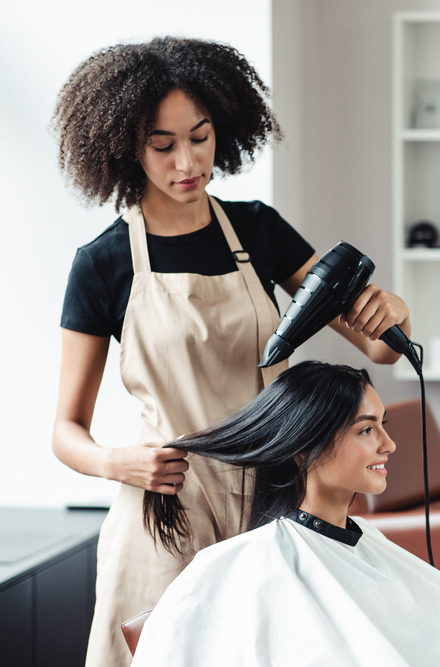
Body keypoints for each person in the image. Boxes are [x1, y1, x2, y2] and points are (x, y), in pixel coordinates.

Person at [51, 37, 410, 667]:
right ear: (128, 148)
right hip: (164, 511)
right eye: (162, 145)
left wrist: (394, 312)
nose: (187, 161)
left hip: (272, 499)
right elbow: (65, 431)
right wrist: (118, 463)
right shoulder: (103, 263)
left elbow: (377, 350)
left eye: (201, 137)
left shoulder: (259, 231)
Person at [131, 362, 440, 667]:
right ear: (304, 448)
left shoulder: (364, 541)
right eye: (367, 430)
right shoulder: (250, 563)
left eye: (382, 425)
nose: (389, 444)